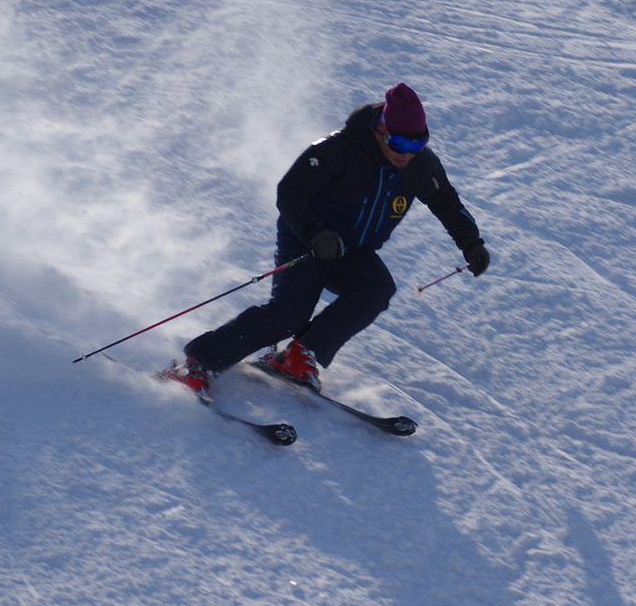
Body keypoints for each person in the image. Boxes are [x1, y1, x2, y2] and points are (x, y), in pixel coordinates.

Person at [165, 82, 490, 395]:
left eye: (417, 144)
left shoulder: (420, 165)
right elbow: (290, 191)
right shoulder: (338, 149)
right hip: (307, 242)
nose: (407, 153)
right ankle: (198, 363)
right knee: (289, 314)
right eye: (399, 144)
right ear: (381, 131)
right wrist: (313, 232)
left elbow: (446, 202)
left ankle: (299, 356)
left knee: (377, 289)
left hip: (353, 252)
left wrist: (471, 243)